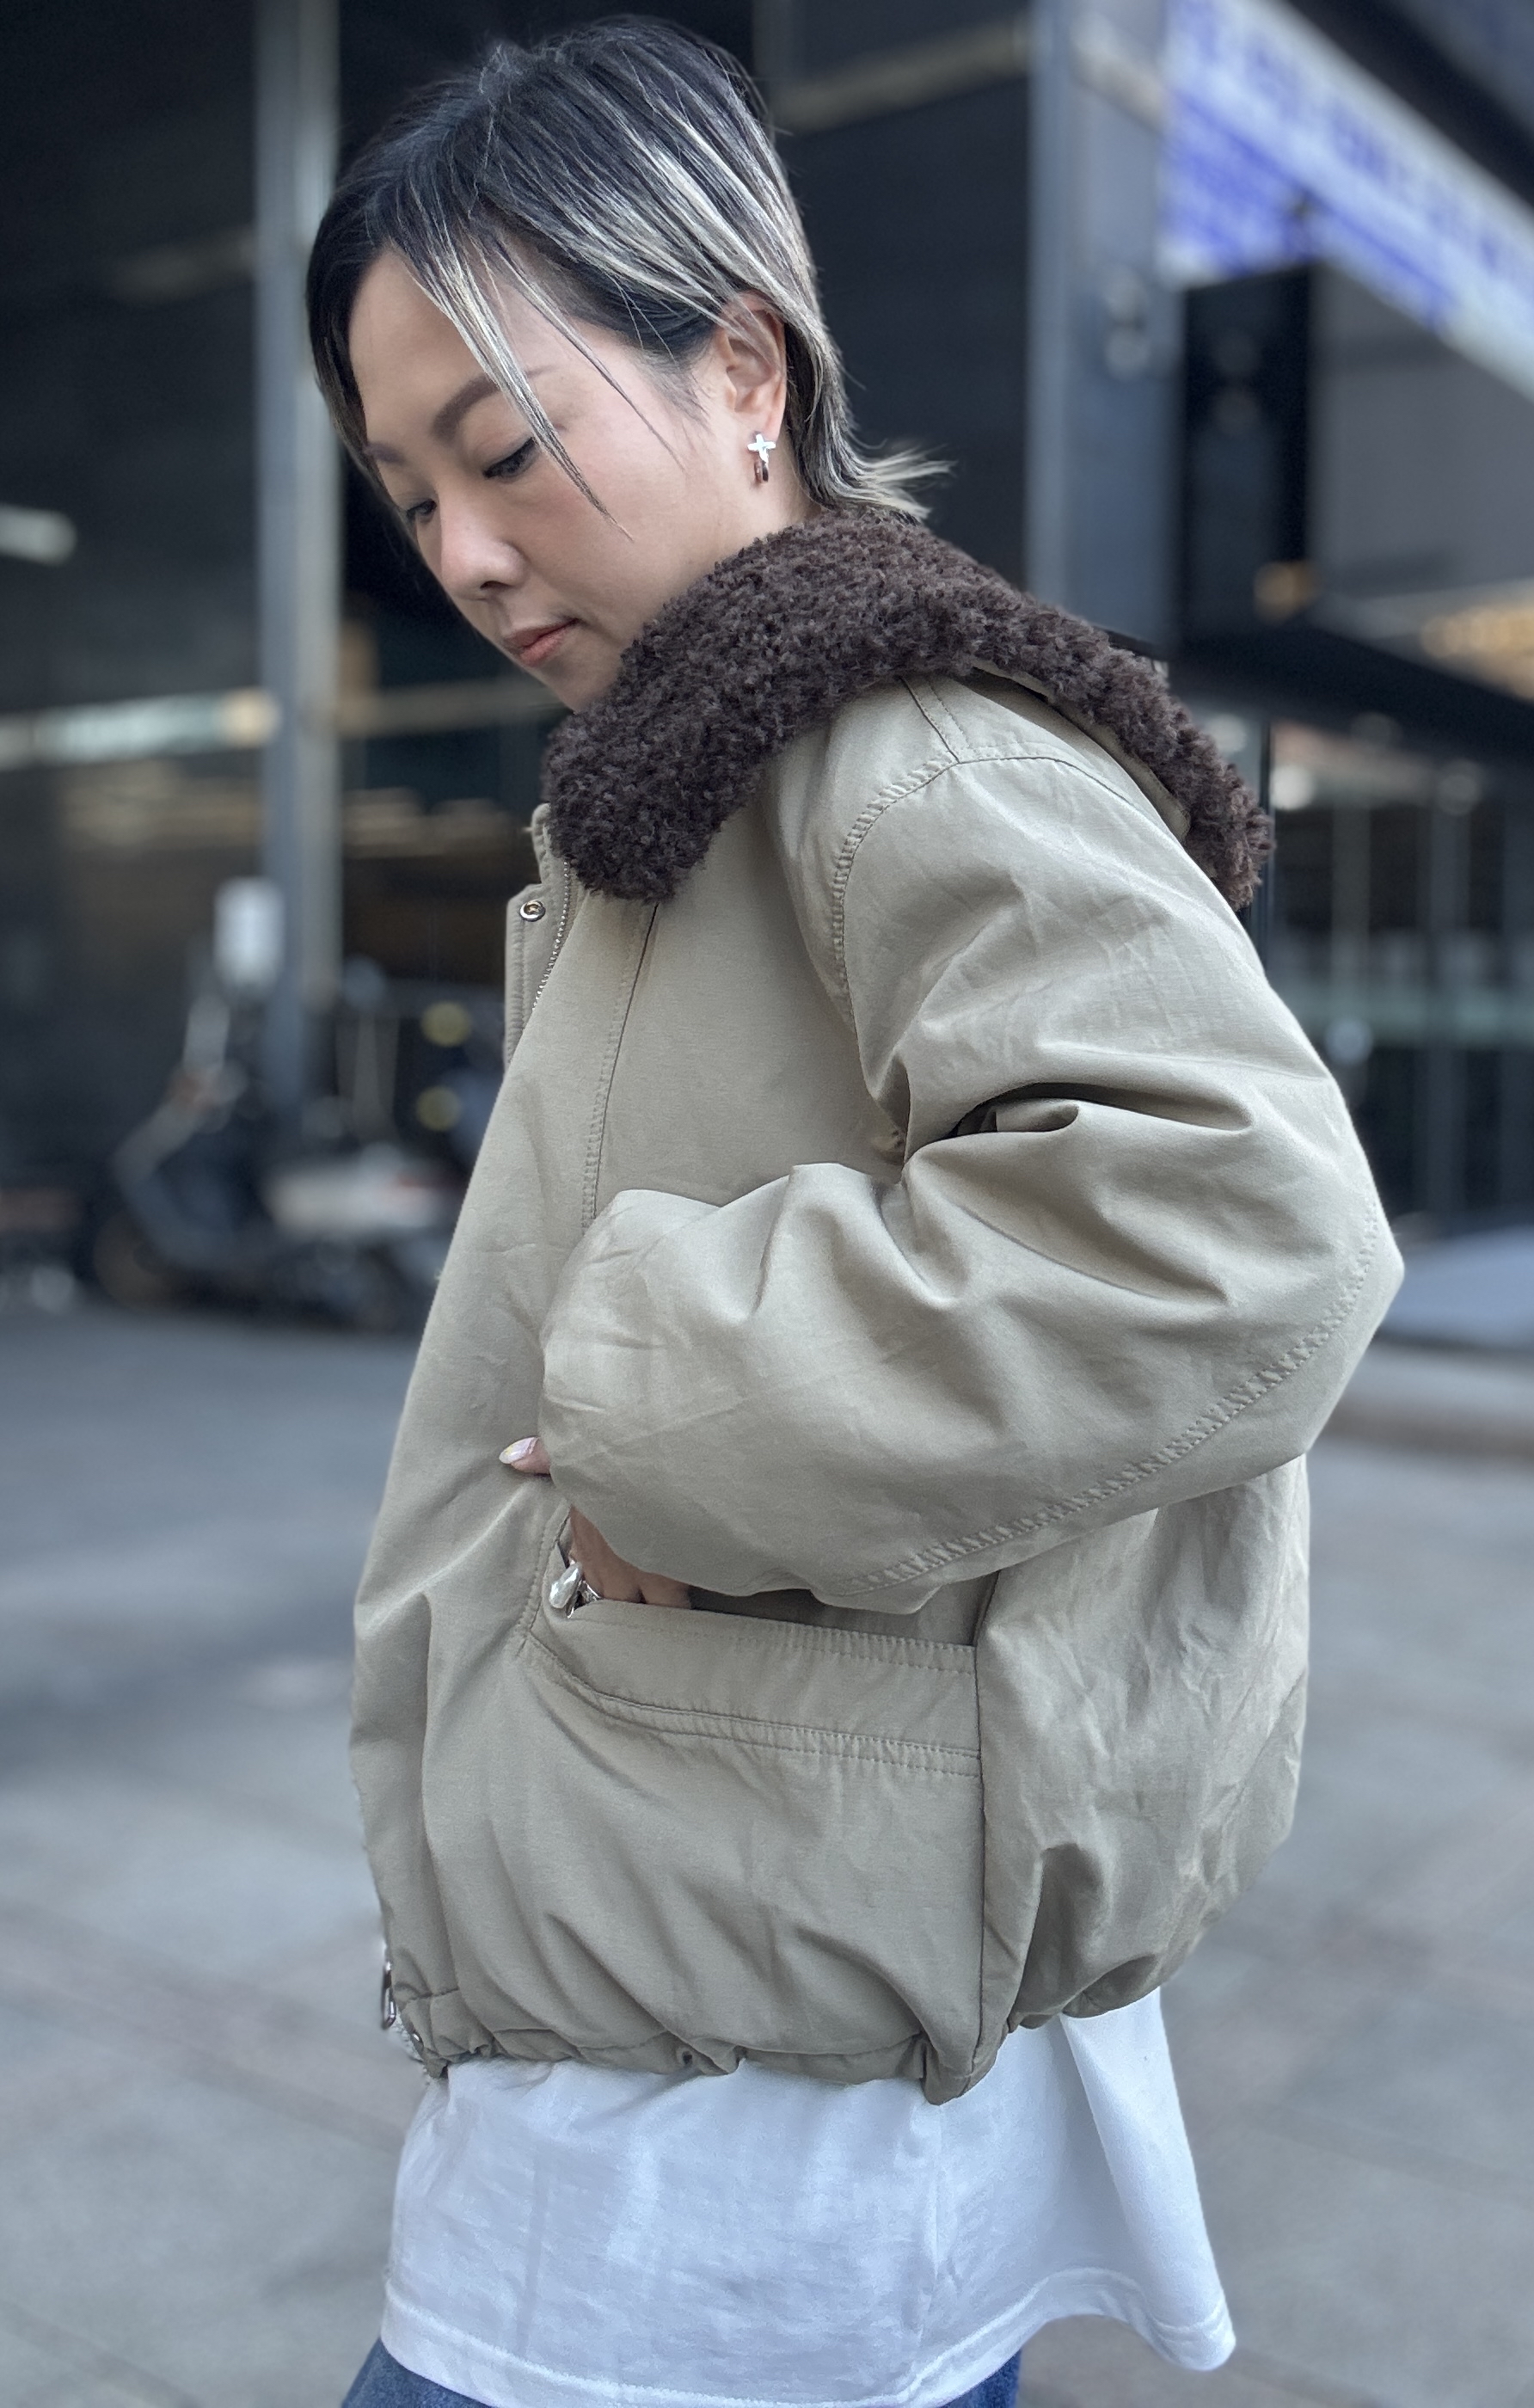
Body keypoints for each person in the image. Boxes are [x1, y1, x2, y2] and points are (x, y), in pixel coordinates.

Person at [308, 22, 1400, 2408]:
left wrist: (651, 1418)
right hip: (709, 1923)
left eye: (505, 445)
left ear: (742, 366)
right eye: (408, 492)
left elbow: (1235, 1222)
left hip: (750, 2058)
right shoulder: (702, 772)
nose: (464, 550)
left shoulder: (892, 742)